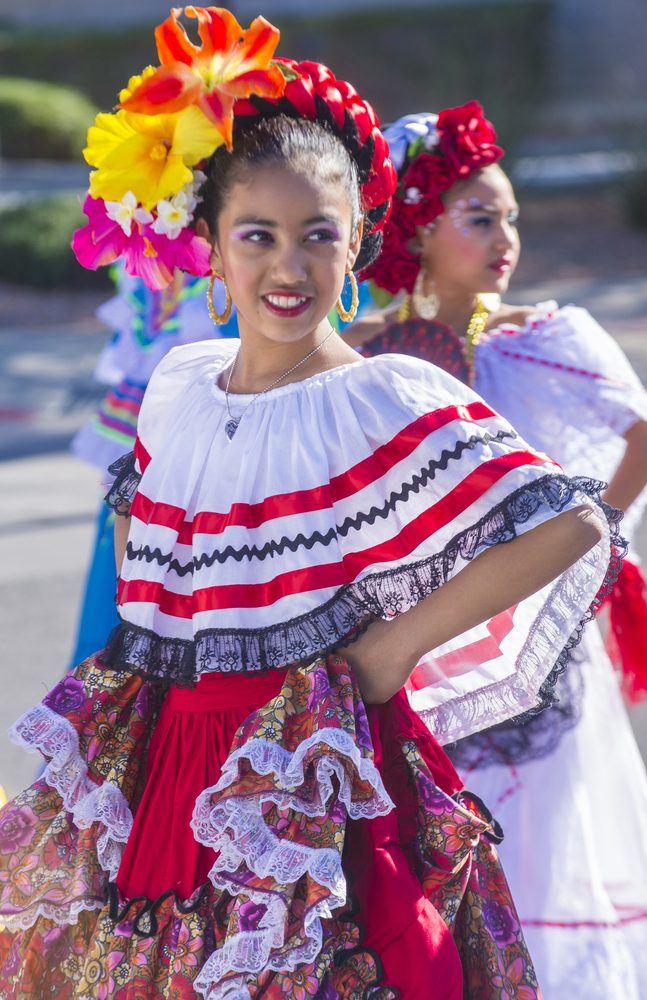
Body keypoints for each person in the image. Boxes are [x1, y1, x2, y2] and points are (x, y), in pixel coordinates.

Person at [0, 11, 619, 997]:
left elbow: (568, 520)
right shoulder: (182, 383)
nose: (286, 267)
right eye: (258, 236)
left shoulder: (380, 393)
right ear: (208, 244)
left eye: (315, 237)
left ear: (357, 242)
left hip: (307, 777)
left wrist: (388, 649)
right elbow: (146, 532)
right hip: (168, 766)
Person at [349, 104, 647, 998]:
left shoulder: (547, 337)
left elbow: (640, 435)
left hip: (541, 649)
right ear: (416, 225)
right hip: (422, 648)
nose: (504, 236)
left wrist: (582, 553)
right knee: (439, 857)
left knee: (545, 845)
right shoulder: (366, 358)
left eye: (510, 216)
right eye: (479, 216)